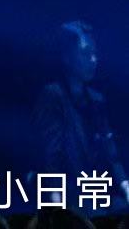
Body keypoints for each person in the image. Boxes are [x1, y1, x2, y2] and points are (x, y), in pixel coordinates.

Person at [31, 21, 129, 210]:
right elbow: (51, 157)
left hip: (93, 193)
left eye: (95, 54)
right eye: (85, 53)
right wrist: (56, 204)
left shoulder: (96, 100)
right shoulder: (52, 96)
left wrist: (125, 185)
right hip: (68, 195)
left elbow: (111, 152)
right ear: (67, 57)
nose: (93, 60)